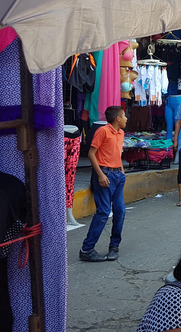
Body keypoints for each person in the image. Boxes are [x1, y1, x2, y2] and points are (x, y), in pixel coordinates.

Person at [80, 105, 128, 262]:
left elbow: (117, 152)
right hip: (105, 174)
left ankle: (114, 246)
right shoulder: (103, 131)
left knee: (120, 210)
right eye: (124, 116)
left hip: (117, 175)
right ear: (117, 119)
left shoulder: (121, 133)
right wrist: (100, 175)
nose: (126, 118)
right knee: (103, 212)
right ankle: (86, 249)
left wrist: (121, 170)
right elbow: (91, 154)